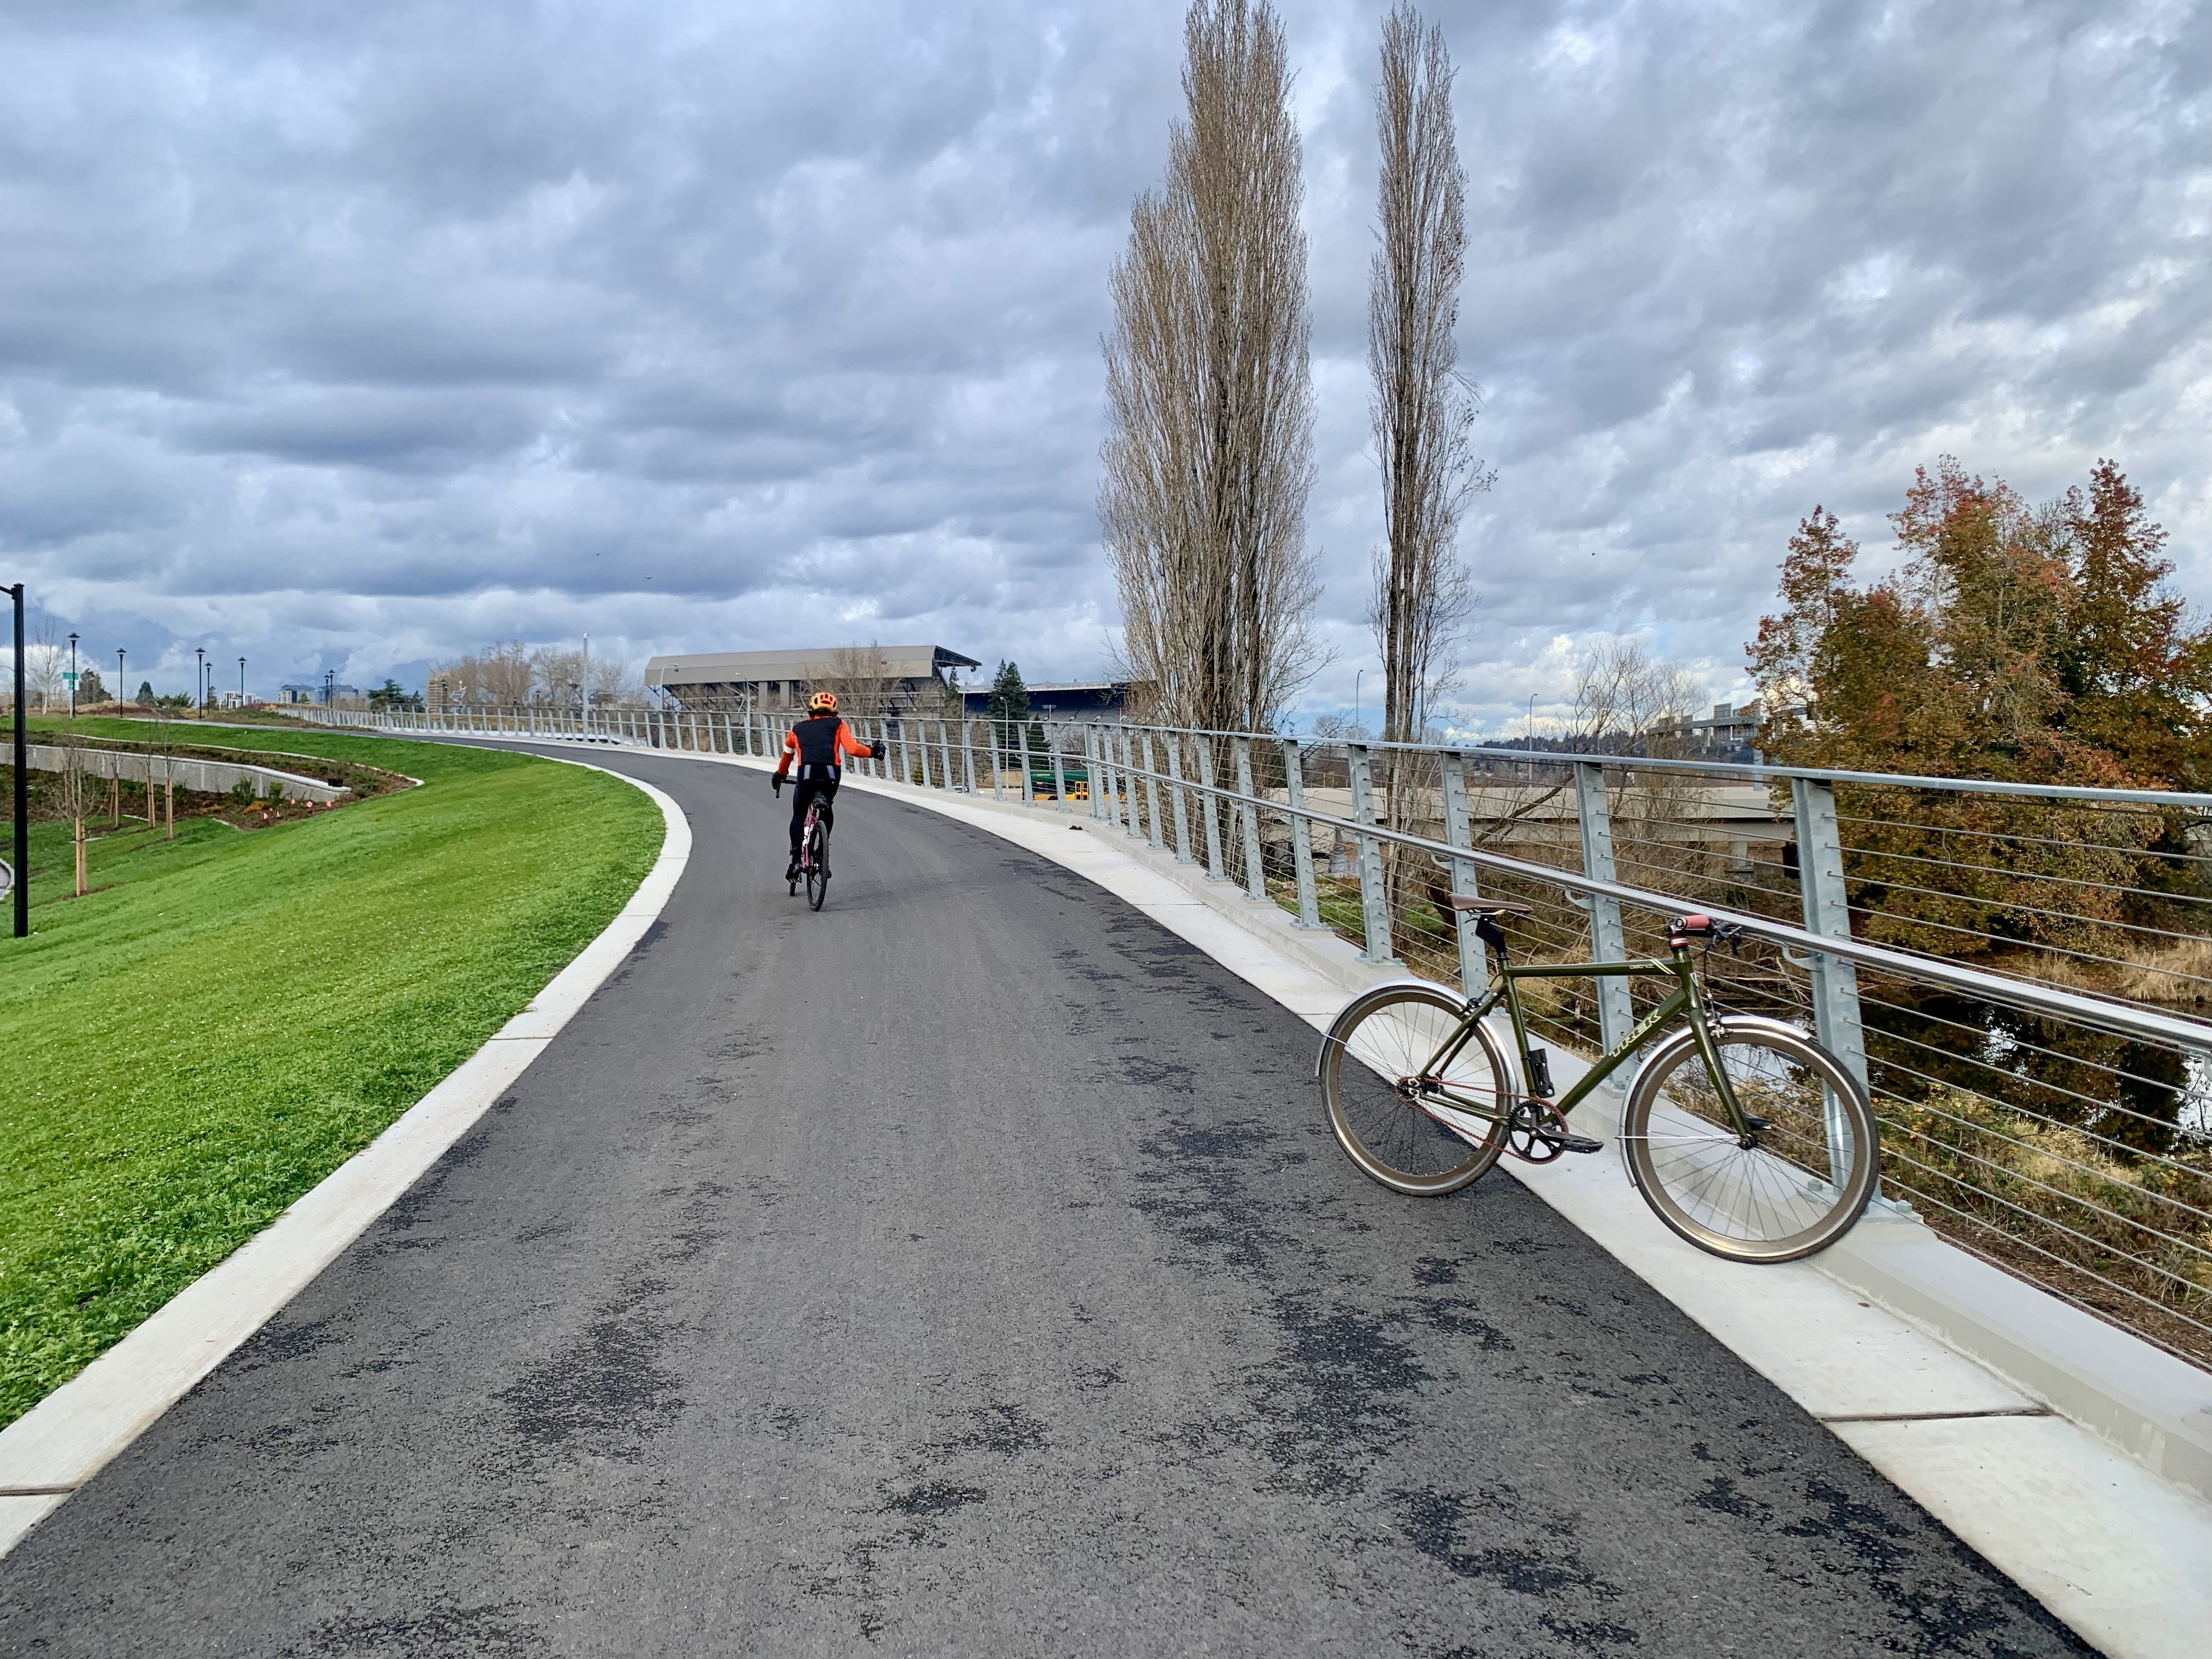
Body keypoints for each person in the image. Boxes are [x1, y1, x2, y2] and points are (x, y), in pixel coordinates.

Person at [771, 691, 878, 881]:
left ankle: (796, 860)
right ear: (834, 711)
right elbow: (853, 749)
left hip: (806, 775)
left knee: (798, 816)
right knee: (827, 811)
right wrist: (873, 751)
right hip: (831, 776)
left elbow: (787, 757)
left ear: (811, 710)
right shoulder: (839, 725)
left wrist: (780, 775)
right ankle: (822, 855)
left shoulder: (797, 729)